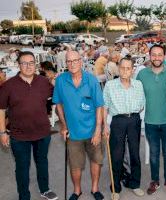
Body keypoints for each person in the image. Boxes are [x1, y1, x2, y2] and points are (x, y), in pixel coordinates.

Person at [0, 51, 58, 200]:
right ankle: (24, 196)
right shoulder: (8, 85)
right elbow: (1, 110)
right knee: (22, 168)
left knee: (42, 163)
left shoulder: (43, 82)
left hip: (42, 133)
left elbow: (57, 95)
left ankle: (44, 190)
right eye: (24, 63)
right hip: (19, 135)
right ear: (19, 65)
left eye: (31, 63)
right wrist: (2, 132)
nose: (28, 66)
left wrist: (56, 80)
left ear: (35, 65)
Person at [53, 50, 105, 200]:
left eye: (75, 60)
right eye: (69, 61)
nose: (72, 64)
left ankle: (95, 189)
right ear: (66, 63)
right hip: (73, 133)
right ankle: (77, 190)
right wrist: (63, 125)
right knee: (75, 165)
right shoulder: (61, 80)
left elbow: (99, 106)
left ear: (81, 61)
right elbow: (59, 105)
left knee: (96, 160)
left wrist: (98, 130)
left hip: (92, 131)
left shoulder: (91, 80)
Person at [103, 57, 145, 200]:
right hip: (117, 121)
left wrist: (135, 117)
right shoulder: (110, 85)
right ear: (118, 68)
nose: (125, 71)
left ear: (132, 70)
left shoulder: (138, 84)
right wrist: (105, 126)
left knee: (134, 153)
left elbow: (142, 105)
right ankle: (115, 187)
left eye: (128, 68)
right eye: (122, 68)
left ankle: (135, 184)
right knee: (116, 155)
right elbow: (105, 107)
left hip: (134, 119)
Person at [136, 44, 166, 195]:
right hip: (150, 121)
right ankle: (155, 180)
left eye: (160, 54)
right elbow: (134, 92)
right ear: (149, 55)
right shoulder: (142, 74)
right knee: (153, 154)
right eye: (154, 54)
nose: (157, 57)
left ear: (165, 56)